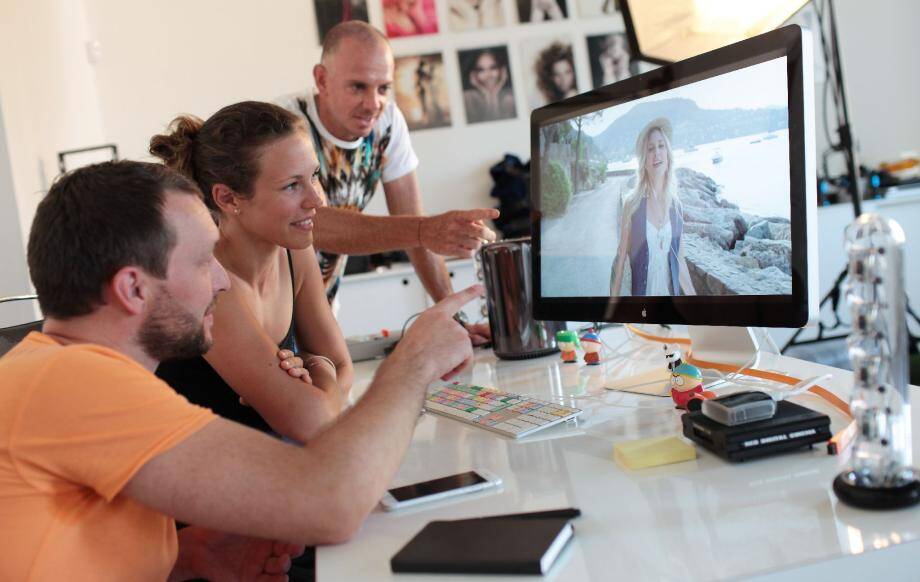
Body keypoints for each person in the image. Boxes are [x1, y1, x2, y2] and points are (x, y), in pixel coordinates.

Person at [0, 160, 478, 580]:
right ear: (133, 289)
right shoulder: (79, 384)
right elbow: (329, 502)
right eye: (203, 259)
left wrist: (186, 557)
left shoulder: (50, 372)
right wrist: (414, 362)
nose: (221, 279)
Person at [276, 21, 496, 345]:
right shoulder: (284, 126)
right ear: (321, 79)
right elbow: (308, 224)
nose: (373, 103)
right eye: (358, 87)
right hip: (271, 312)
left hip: (321, 311)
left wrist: (454, 317)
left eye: (383, 88)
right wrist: (424, 229)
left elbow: (416, 228)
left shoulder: (388, 123)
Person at [150, 101, 353, 443]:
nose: (316, 200)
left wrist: (320, 371)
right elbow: (310, 421)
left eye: (314, 176)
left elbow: (343, 369)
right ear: (228, 199)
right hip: (193, 478)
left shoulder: (295, 249)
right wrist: (319, 368)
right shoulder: (207, 279)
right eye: (292, 185)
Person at [610, 118, 697, 297]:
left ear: (668, 153)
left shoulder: (677, 207)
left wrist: (697, 304)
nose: (657, 153)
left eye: (661, 146)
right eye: (650, 148)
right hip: (642, 309)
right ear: (644, 159)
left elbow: (679, 261)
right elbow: (620, 258)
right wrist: (613, 306)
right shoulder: (632, 204)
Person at [462, 48, 517, 124]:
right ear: (473, 74)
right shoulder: (467, 98)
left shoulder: (511, 98)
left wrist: (494, 95)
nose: (488, 75)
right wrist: (487, 95)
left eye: (493, 68)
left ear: (502, 70)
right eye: (481, 70)